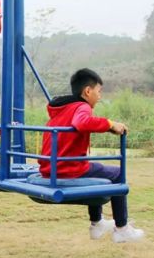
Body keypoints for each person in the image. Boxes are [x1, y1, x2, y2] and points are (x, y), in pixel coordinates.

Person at [39, 68, 144, 243]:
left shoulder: (63, 109)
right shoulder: (82, 106)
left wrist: (108, 128)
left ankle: (97, 223)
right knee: (117, 173)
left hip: (50, 168)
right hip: (68, 168)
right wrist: (110, 123)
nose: (100, 96)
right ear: (88, 91)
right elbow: (82, 122)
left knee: (94, 169)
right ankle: (122, 228)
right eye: (99, 91)